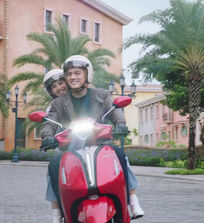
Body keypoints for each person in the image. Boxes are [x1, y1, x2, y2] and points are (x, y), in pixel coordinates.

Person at [41, 55, 144, 223]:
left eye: (77, 73)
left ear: (87, 74)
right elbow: (49, 122)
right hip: (71, 147)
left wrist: (120, 124)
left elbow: (114, 110)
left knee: (119, 154)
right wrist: (47, 136)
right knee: (54, 165)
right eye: (69, 74)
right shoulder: (59, 103)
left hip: (100, 143)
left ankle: (132, 200)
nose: (73, 77)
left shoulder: (101, 94)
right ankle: (58, 212)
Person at [41, 68, 69, 221]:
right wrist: (48, 137)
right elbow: (48, 126)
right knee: (52, 168)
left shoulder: (82, 97)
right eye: (54, 86)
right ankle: (56, 211)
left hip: (93, 145)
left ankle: (128, 202)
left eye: (61, 82)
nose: (59, 87)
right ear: (51, 91)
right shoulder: (51, 108)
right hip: (67, 150)